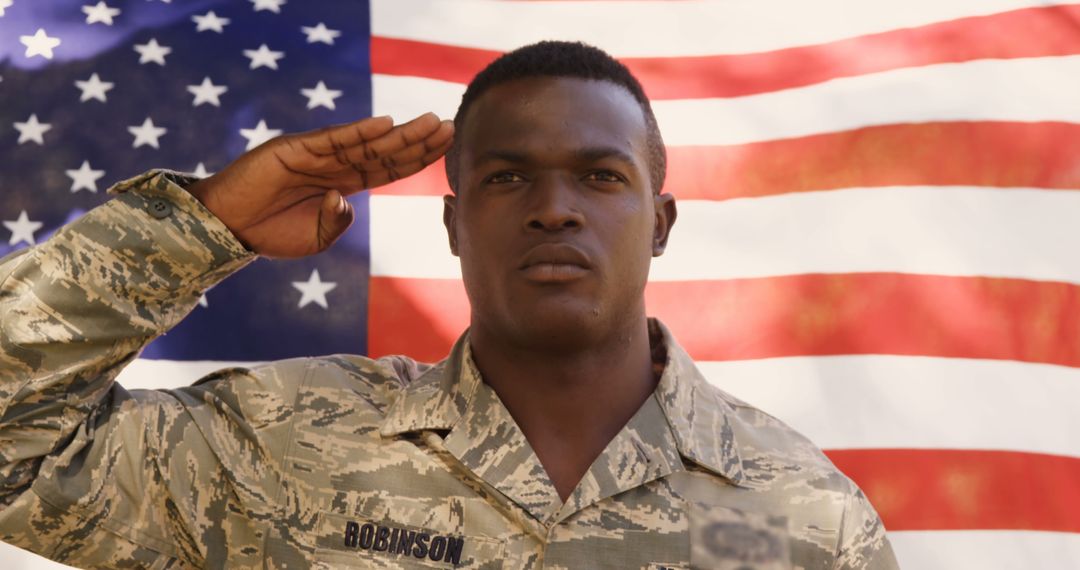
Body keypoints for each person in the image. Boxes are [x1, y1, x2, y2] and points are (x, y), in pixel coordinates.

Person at [0, 41, 899, 569]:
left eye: (600, 176)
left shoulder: (805, 517)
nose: (555, 207)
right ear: (454, 224)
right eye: (508, 177)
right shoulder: (277, 446)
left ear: (659, 223)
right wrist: (201, 224)